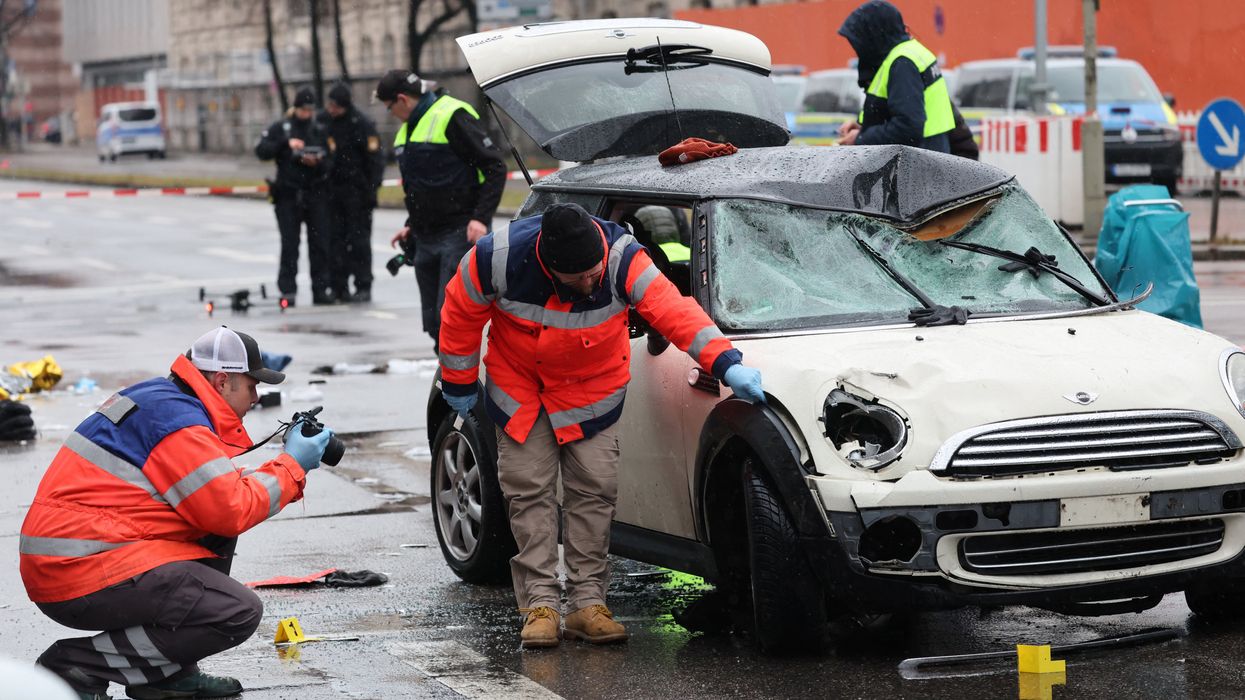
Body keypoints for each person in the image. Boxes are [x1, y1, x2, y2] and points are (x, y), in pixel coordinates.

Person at [437, 203, 765, 648]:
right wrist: (457, 382)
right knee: (527, 491)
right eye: (580, 280)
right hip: (523, 391)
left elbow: (674, 310)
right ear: (549, 267)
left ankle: (587, 604)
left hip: (592, 393)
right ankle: (541, 606)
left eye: (595, 273)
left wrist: (726, 364)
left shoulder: (622, 258)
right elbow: (460, 315)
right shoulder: (494, 260)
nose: (592, 283)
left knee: (594, 494)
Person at [20, 327, 335, 700]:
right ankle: (78, 664)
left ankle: (168, 676)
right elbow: (229, 509)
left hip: (76, 556)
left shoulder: (165, 402)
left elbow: (215, 492)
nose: (255, 396)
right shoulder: (178, 425)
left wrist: (282, 467)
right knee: (235, 612)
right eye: (251, 385)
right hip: (78, 568)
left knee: (213, 534)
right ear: (222, 381)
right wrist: (292, 465)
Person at [373, 69, 506, 351]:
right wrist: (412, 223)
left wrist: (480, 219)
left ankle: (465, 384)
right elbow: (423, 184)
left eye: (389, 108)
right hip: (425, 236)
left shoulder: (452, 114)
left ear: (402, 100)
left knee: (453, 317)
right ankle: (448, 378)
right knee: (433, 322)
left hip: (459, 232)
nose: (390, 114)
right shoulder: (408, 129)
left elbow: (494, 166)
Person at [835, 0, 955, 153]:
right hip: (931, 156)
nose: (859, 50)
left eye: (861, 41)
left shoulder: (902, 63)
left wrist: (861, 138)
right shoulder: (911, 52)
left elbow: (908, 128)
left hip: (917, 164)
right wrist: (862, 126)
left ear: (874, 36)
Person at [255, 87, 338, 306]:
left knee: (320, 245)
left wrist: (317, 162)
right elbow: (262, 150)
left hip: (316, 193)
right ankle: (288, 291)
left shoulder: (319, 129)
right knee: (290, 244)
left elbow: (331, 161)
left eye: (310, 110)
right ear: (295, 108)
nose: (306, 114)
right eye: (303, 110)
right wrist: (285, 145)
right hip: (288, 194)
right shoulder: (281, 128)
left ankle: (320, 288)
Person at [321, 83, 386, 303]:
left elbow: (375, 160)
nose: (331, 109)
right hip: (333, 193)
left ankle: (363, 285)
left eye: (335, 105)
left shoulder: (362, 124)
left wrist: (371, 190)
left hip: (358, 194)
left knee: (359, 242)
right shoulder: (325, 122)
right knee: (335, 241)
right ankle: (338, 286)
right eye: (330, 104)